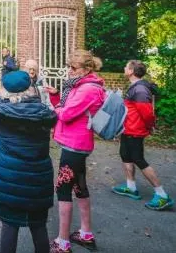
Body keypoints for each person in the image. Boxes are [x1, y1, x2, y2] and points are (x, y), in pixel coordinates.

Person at [0, 71, 56, 253]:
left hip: (10, 179)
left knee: (10, 225)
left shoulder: (1, 116)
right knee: (38, 225)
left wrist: (0, 98)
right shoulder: (43, 114)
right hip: (38, 178)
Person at [50, 50, 106, 253]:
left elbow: (66, 114)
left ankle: (62, 242)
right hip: (75, 143)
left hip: (75, 145)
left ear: (87, 69)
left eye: (73, 67)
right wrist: (55, 96)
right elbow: (67, 107)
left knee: (63, 189)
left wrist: (54, 110)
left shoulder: (88, 89)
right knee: (79, 186)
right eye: (69, 67)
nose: (69, 71)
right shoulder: (82, 85)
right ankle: (85, 234)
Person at [112, 60, 174, 210]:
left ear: (131, 71)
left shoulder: (140, 90)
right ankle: (131, 187)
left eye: (126, 66)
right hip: (127, 129)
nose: (124, 68)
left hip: (135, 130)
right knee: (125, 155)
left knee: (138, 159)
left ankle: (162, 195)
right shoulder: (135, 86)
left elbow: (147, 114)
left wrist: (150, 126)